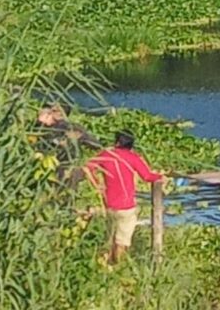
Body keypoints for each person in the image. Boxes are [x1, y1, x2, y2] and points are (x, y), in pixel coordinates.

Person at [85, 130, 162, 264]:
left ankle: (105, 266)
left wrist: (97, 185)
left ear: (117, 142)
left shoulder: (106, 154)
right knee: (122, 241)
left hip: (109, 204)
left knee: (110, 237)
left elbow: (87, 167)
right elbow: (147, 176)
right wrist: (161, 176)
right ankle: (117, 267)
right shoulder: (133, 157)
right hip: (126, 206)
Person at [35, 103, 101, 186]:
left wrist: (78, 137)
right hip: (57, 167)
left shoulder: (69, 128)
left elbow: (95, 144)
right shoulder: (42, 126)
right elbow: (96, 145)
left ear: (60, 114)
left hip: (62, 167)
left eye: (53, 111)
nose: (49, 113)